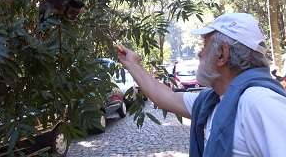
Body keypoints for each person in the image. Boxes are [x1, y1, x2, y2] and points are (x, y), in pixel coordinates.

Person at [115, 13, 286, 157]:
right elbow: (166, 97)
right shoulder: (214, 101)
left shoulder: (260, 102)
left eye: (205, 45)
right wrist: (132, 64)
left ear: (222, 55)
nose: (199, 53)